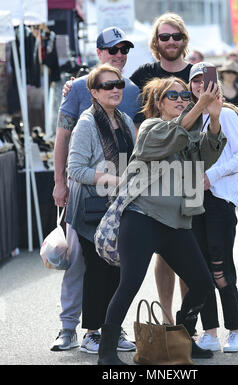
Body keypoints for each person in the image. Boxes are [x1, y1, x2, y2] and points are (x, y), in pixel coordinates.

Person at [97, 75, 227, 365]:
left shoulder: (188, 132)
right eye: (173, 95)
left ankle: (182, 339)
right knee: (129, 283)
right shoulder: (150, 128)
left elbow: (204, 159)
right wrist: (199, 107)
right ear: (158, 103)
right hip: (142, 217)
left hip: (175, 223)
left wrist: (214, 120)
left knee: (203, 283)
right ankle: (106, 352)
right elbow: (172, 136)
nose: (181, 99)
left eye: (184, 95)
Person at [51, 27, 138, 353]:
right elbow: (64, 140)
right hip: (87, 201)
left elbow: (133, 150)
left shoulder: (130, 96)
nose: (119, 55)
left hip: (117, 204)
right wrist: (60, 183)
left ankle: (109, 327)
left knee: (114, 265)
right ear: (99, 51)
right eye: (112, 49)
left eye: (124, 50)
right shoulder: (77, 91)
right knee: (80, 265)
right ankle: (73, 328)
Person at [130, 12, 194, 324]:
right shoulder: (144, 74)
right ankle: (168, 320)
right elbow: (110, 93)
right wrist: (76, 85)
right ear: (156, 42)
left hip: (193, 172)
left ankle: (188, 324)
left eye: (176, 36)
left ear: (184, 39)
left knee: (191, 250)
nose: (170, 42)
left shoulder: (197, 74)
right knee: (164, 254)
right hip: (156, 174)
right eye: (164, 37)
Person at [188, 62, 238, 353]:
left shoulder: (225, 114)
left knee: (220, 266)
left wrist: (210, 178)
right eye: (195, 81)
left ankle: (234, 330)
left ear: (216, 85)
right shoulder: (188, 118)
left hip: (220, 200)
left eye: (205, 80)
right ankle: (209, 331)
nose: (201, 85)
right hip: (192, 202)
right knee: (200, 270)